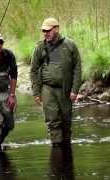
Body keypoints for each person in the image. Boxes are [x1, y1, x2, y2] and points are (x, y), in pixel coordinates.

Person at [30, 17, 82, 147]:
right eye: (43, 31)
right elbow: (33, 71)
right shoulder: (40, 47)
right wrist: (36, 92)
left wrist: (75, 90)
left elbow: (77, 68)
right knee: (53, 120)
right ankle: (56, 148)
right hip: (47, 88)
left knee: (66, 121)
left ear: (57, 29)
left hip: (66, 89)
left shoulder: (70, 45)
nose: (45, 33)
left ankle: (66, 149)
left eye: (48, 30)